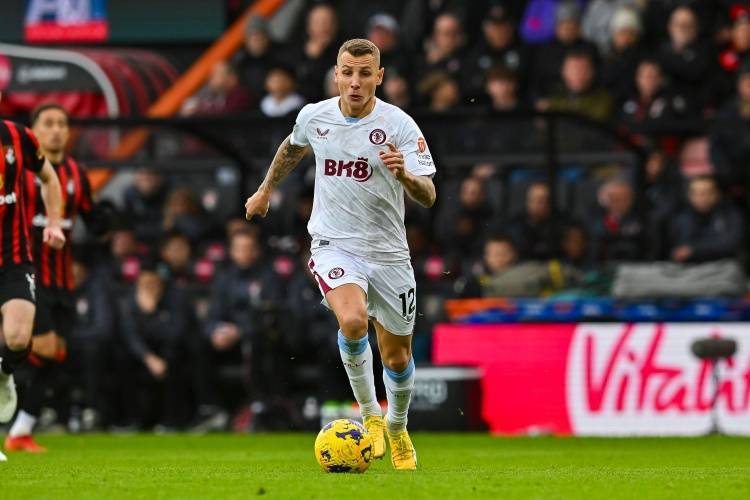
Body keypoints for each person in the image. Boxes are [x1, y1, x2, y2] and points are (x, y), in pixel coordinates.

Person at [244, 39, 436, 470]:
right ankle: (370, 415)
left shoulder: (400, 125)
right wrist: (265, 189)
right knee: (352, 320)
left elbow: (429, 195)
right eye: (347, 72)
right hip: (335, 244)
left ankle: (397, 426)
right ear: (336, 74)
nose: (355, 82)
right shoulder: (315, 116)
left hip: (389, 254)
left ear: (379, 77)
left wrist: (406, 176)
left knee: (397, 356)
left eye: (365, 73)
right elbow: (292, 146)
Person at [5, 103, 101, 452]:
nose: (57, 130)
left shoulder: (76, 172)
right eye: (49, 123)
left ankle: (20, 431)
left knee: (54, 353)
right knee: (39, 347)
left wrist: (104, 222)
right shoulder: (19, 169)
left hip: (62, 278)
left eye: (62, 123)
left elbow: (91, 216)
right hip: (29, 271)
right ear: (35, 129)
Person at [0, 97, 66, 462]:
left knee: (18, 339)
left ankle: (4, 372)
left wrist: (54, 223)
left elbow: (49, 178)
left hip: (13, 258)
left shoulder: (17, 136)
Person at [667, 176, 743, 263]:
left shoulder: (730, 214)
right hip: (690, 266)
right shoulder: (680, 217)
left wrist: (694, 250)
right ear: (689, 195)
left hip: (723, 264)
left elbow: (730, 243)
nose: (702, 197)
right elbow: (678, 248)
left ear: (717, 194)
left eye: (706, 192)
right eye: (696, 193)